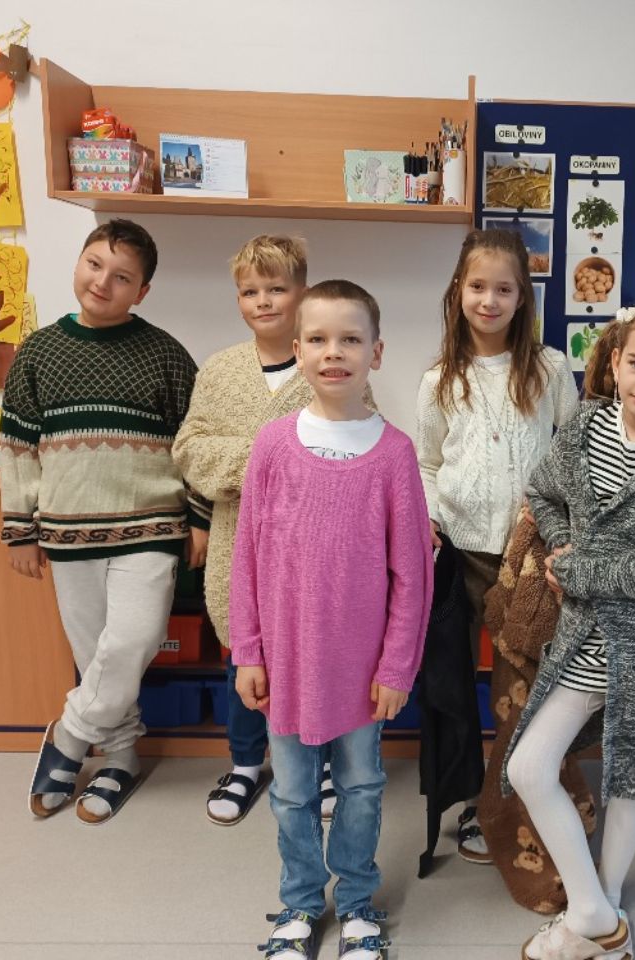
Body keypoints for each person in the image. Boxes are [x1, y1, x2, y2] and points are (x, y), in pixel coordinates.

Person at [502, 300, 635, 959]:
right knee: (529, 766)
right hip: (583, 638)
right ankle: (595, 911)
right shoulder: (588, 424)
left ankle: (604, 915)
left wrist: (576, 569)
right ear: (616, 360)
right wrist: (562, 544)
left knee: (630, 777)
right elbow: (543, 491)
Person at [230, 280, 433, 959]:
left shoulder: (394, 454)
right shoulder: (272, 445)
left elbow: (412, 575)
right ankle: (298, 904)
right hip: (286, 665)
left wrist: (397, 666)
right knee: (291, 795)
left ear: (377, 352)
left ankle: (355, 903)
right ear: (297, 350)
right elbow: (247, 556)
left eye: (350, 339)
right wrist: (248, 652)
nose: (333, 352)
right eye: (317, 339)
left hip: (362, 674)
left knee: (362, 788)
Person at [3, 219, 209, 824]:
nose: (103, 282)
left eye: (122, 277)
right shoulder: (38, 352)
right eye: (95, 265)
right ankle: (120, 758)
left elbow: (195, 445)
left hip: (151, 528)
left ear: (141, 291)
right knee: (97, 653)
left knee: (134, 642)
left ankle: (68, 737)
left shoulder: (166, 355)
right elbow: (17, 449)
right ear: (78, 264)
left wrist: (200, 519)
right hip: (68, 532)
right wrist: (19, 530)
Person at [174, 236, 371, 824]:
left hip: (317, 548)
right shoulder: (220, 371)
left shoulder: (329, 366)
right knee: (246, 651)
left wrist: (289, 464)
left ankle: (325, 759)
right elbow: (190, 448)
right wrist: (267, 462)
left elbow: (355, 445)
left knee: (318, 652)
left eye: (276, 288)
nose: (262, 301)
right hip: (239, 541)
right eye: (249, 291)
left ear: (302, 293)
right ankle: (244, 761)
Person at [416, 227, 578, 862]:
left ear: (522, 298)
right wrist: (431, 519)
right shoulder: (439, 379)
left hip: (530, 556)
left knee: (520, 685)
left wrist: (563, 529)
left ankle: (509, 800)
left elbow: (574, 453)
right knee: (454, 685)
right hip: (460, 553)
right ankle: (467, 800)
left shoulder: (550, 368)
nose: (489, 300)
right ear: (458, 290)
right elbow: (428, 463)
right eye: (477, 286)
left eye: (504, 289)